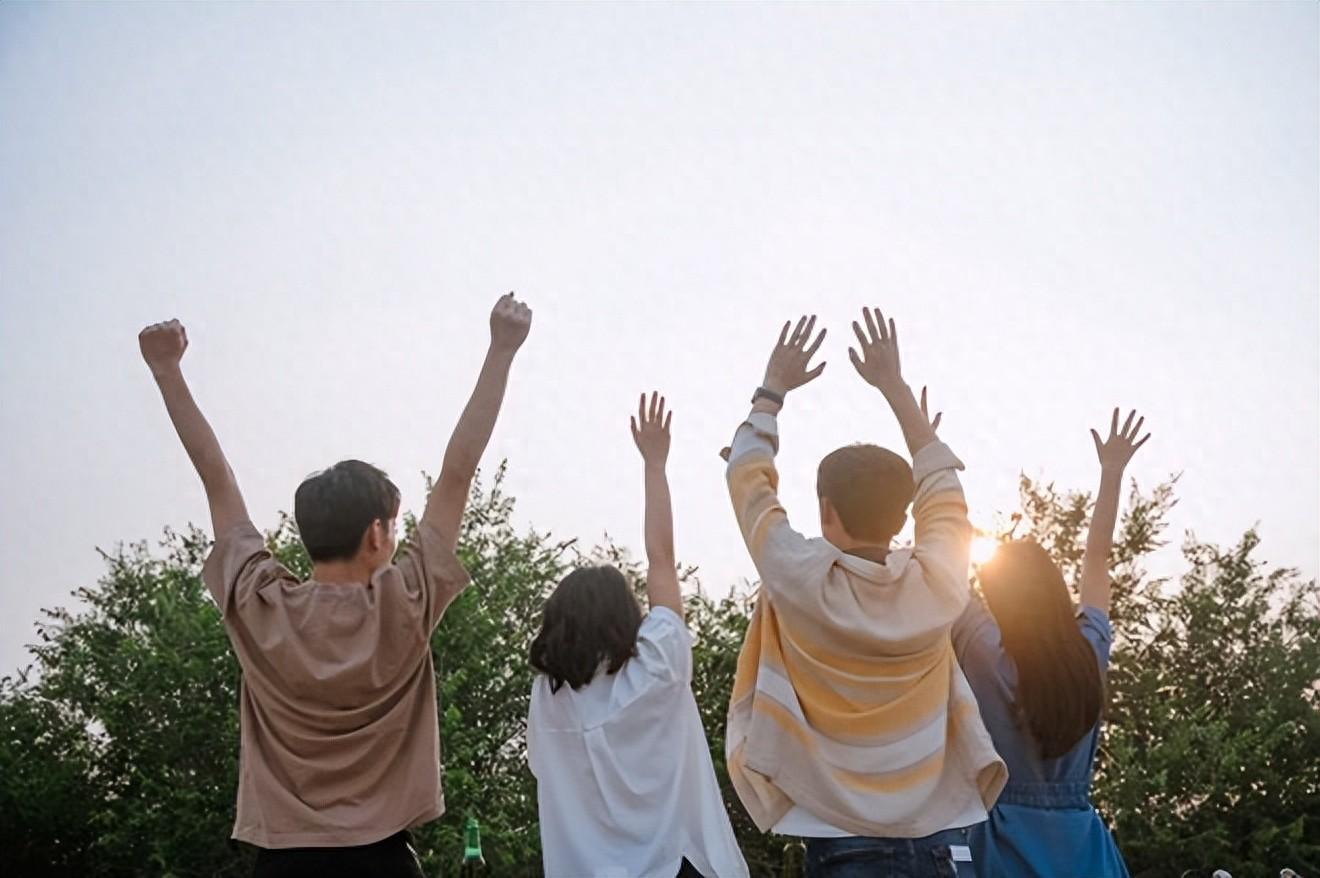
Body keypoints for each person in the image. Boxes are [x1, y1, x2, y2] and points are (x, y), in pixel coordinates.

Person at [137, 293, 532, 877]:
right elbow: (458, 472)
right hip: (383, 861)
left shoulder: (260, 603)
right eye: (393, 525)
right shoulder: (405, 601)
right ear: (376, 533)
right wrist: (501, 351)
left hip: (283, 862)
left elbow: (216, 479)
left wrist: (166, 371)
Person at [723, 310, 1006, 878]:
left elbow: (747, 480)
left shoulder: (798, 576)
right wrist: (895, 387)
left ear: (825, 510)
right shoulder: (937, 585)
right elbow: (944, 489)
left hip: (840, 843)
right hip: (939, 843)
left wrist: (772, 389)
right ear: (904, 516)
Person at [527, 393, 749, 878]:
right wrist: (655, 466)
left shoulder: (548, 697)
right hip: (678, 866)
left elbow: (544, 769)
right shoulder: (658, 664)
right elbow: (661, 561)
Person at [952, 408, 1148, 877]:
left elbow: (948, 553)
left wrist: (930, 453)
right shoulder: (1088, 652)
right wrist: (1112, 473)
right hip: (1084, 848)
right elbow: (1097, 558)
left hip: (1001, 844)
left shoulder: (984, 652)